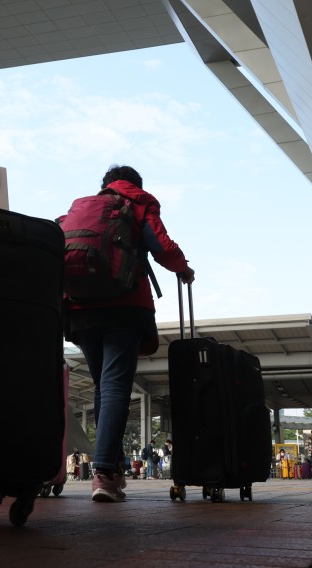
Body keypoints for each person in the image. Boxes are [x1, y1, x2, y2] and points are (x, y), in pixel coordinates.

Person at [67, 164, 194, 503]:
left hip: (79, 308)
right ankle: (105, 472)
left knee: (102, 387)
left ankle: (112, 467)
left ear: (106, 185)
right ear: (134, 185)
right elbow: (161, 246)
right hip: (124, 304)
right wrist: (183, 268)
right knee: (114, 387)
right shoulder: (139, 201)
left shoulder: (85, 206)